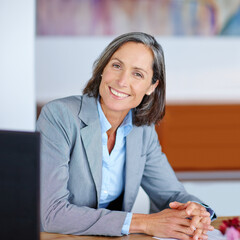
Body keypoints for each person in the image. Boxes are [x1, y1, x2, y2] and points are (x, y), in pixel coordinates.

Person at [37, 32, 216, 239]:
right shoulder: (60, 116)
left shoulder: (143, 131)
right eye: (116, 66)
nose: (122, 81)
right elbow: (52, 213)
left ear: (151, 86)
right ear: (103, 69)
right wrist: (145, 223)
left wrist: (197, 212)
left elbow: (171, 195)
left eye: (137, 74)